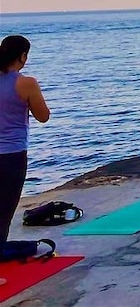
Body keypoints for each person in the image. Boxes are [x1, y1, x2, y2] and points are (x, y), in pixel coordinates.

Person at [0, 35, 51, 285]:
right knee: (3, 213)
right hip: (11, 156)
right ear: (22, 56)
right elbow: (43, 116)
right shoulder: (26, 83)